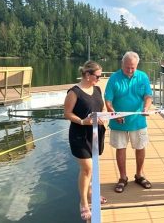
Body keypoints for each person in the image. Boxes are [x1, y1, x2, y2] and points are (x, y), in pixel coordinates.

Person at [64, 61, 107, 221]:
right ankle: (83, 202)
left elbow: (100, 108)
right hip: (80, 135)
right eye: (98, 76)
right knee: (87, 169)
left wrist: (103, 117)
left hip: (96, 134)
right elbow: (67, 113)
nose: (100, 79)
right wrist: (83, 121)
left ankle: (91, 194)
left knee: (93, 166)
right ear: (88, 75)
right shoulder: (74, 92)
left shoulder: (97, 89)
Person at [104, 51, 153, 193]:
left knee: (140, 147)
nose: (130, 70)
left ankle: (139, 175)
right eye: (127, 67)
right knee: (120, 148)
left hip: (138, 120)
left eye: (133, 67)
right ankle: (123, 178)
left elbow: (148, 95)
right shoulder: (114, 78)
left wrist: (146, 107)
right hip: (118, 121)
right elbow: (108, 100)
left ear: (137, 65)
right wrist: (113, 113)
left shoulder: (143, 76)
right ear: (122, 64)